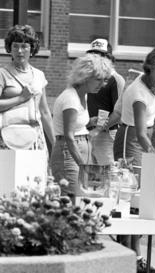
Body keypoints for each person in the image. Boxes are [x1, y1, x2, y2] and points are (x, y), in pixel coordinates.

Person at [113, 46, 155, 270]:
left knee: (141, 201)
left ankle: (136, 257)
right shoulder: (138, 93)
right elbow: (140, 133)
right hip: (130, 141)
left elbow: (151, 123)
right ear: (150, 68)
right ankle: (127, 257)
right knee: (129, 199)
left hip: (144, 137)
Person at [50, 53, 112, 199]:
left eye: (105, 80)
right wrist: (84, 166)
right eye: (98, 79)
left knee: (83, 199)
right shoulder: (71, 98)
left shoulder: (82, 94)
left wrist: (90, 122)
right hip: (69, 151)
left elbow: (74, 125)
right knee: (73, 199)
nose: (102, 84)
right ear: (85, 77)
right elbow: (69, 136)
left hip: (80, 148)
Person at [0, 24, 55, 152]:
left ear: (32, 48)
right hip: (8, 137)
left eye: (24, 46)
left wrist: (55, 143)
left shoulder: (39, 75)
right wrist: (20, 98)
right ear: (10, 48)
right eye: (15, 46)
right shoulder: (2, 74)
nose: (19, 51)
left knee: (34, 172)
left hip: (35, 137)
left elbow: (45, 112)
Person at [86, 38, 125, 165]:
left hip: (108, 135)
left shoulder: (116, 80)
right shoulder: (92, 78)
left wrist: (97, 130)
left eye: (99, 55)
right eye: (92, 54)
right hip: (92, 133)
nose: (95, 58)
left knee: (107, 174)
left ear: (108, 57)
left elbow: (119, 113)